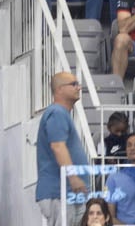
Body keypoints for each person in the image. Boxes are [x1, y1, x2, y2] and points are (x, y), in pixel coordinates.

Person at [36, 71, 89, 226]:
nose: (78, 87)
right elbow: (58, 146)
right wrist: (73, 178)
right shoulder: (57, 112)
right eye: (73, 84)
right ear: (59, 89)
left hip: (68, 193)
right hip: (60, 192)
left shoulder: (61, 114)